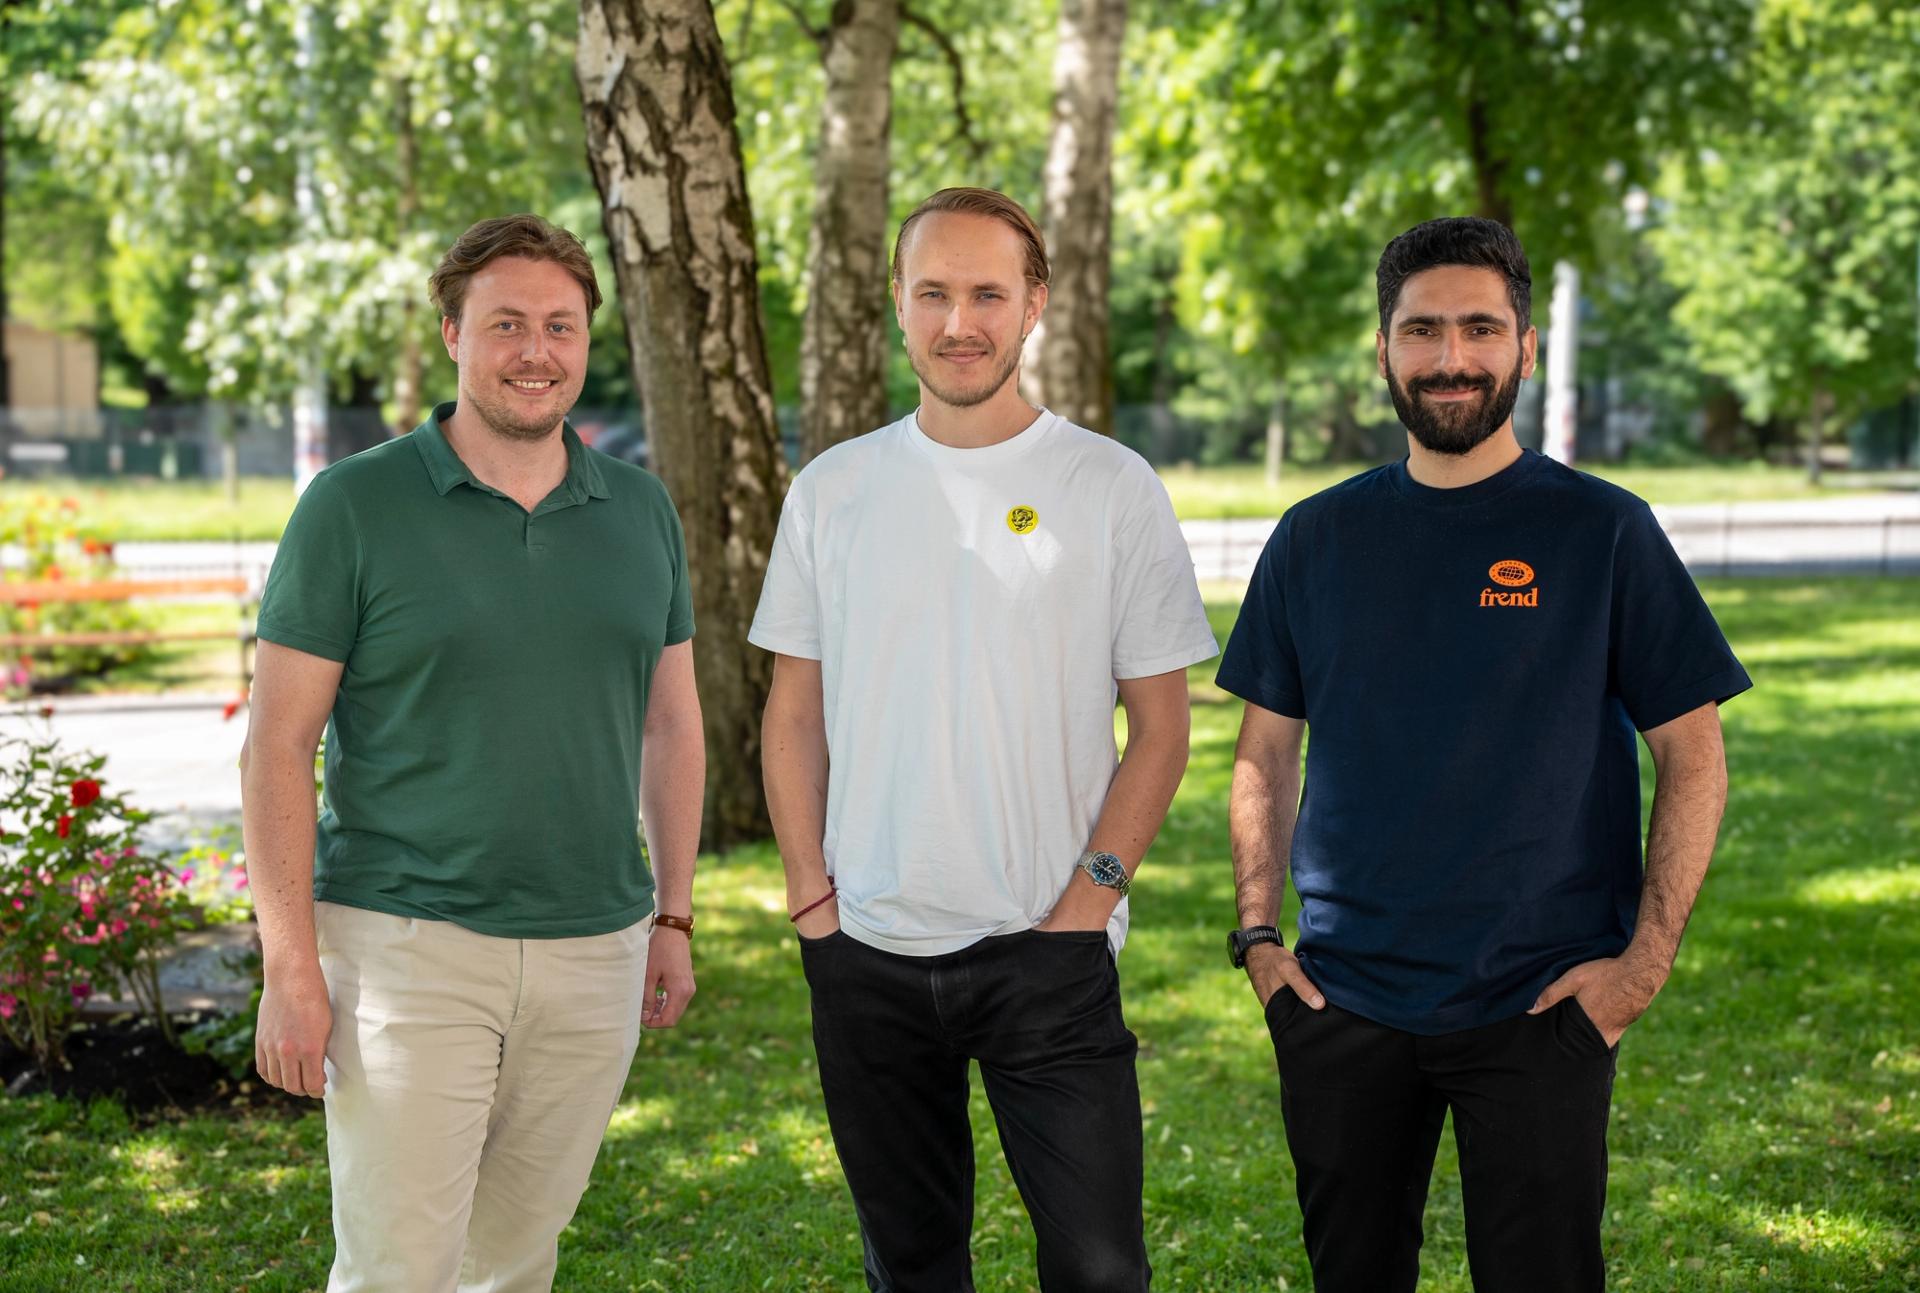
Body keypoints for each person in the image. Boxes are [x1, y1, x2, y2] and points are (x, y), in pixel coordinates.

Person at [1218, 216, 1751, 1293]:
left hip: (1544, 1006)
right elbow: (1264, 756)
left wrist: (1637, 973)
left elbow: (1694, 759)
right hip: (1340, 1003)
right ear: (1383, 349)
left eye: (1478, 327)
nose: (1451, 357)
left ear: (1524, 346)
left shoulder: (1603, 531)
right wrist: (1261, 942)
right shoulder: (1314, 538)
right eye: (1422, 330)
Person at [751, 186, 1218, 1292]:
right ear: (899, 307)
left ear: (1034, 305)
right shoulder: (833, 490)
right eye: (934, 293)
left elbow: (1160, 726)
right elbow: (792, 714)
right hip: (865, 948)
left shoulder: (1110, 486)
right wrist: (813, 899)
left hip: (1047, 951)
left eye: (987, 294)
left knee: (1101, 1272)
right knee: (911, 1267)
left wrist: (1089, 902)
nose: (960, 321)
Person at [240, 213, 704, 1293]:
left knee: (516, 1265)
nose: (536, 351)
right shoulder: (352, 506)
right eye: (506, 324)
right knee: (402, 1270)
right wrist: (289, 965)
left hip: (597, 949)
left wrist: (671, 916)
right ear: (452, 333)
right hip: (408, 948)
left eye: (560, 325)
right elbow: (277, 747)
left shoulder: (640, 510)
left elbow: (672, 722)